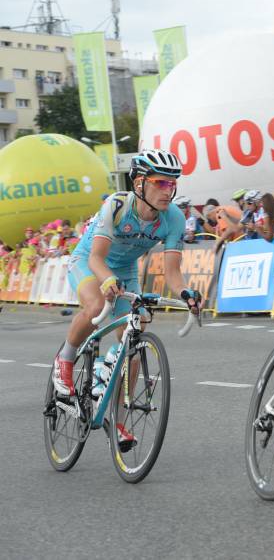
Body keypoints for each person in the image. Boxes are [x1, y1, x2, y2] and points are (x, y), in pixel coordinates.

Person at [52, 149, 203, 450]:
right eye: (160, 183)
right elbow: (96, 257)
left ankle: (117, 417)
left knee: (134, 335)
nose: (168, 190)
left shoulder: (172, 218)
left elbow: (172, 272)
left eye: (172, 183)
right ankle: (64, 362)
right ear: (139, 184)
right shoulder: (117, 205)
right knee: (95, 307)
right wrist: (106, 279)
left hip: (124, 270)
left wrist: (186, 293)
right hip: (89, 261)